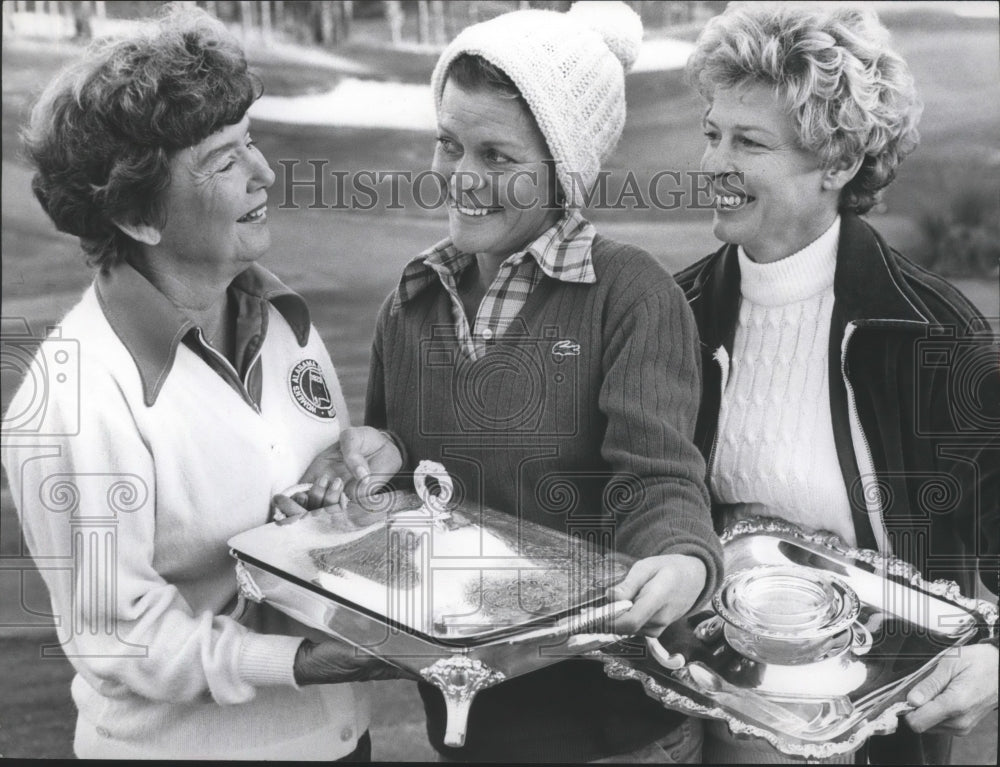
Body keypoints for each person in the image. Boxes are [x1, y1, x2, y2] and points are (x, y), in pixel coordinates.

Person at [1, 6, 405, 760]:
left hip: (339, 740)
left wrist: (354, 467)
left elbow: (299, 513)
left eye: (249, 141)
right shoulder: (76, 396)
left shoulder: (284, 323)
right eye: (223, 161)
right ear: (137, 215)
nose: (264, 172)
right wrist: (296, 662)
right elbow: (119, 636)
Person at [362, 2, 723, 762]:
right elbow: (401, 494)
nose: (463, 178)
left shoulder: (630, 294)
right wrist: (373, 463)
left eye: (498, 157)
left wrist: (683, 554)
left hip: (611, 734)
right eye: (449, 144)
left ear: (564, 171)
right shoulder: (412, 300)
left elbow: (655, 479)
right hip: (468, 722)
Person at [677, 3, 999, 764]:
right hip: (704, 725)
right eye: (712, 133)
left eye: (748, 141)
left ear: (839, 163)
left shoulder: (933, 335)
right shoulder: (673, 313)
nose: (714, 163)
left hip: (876, 738)